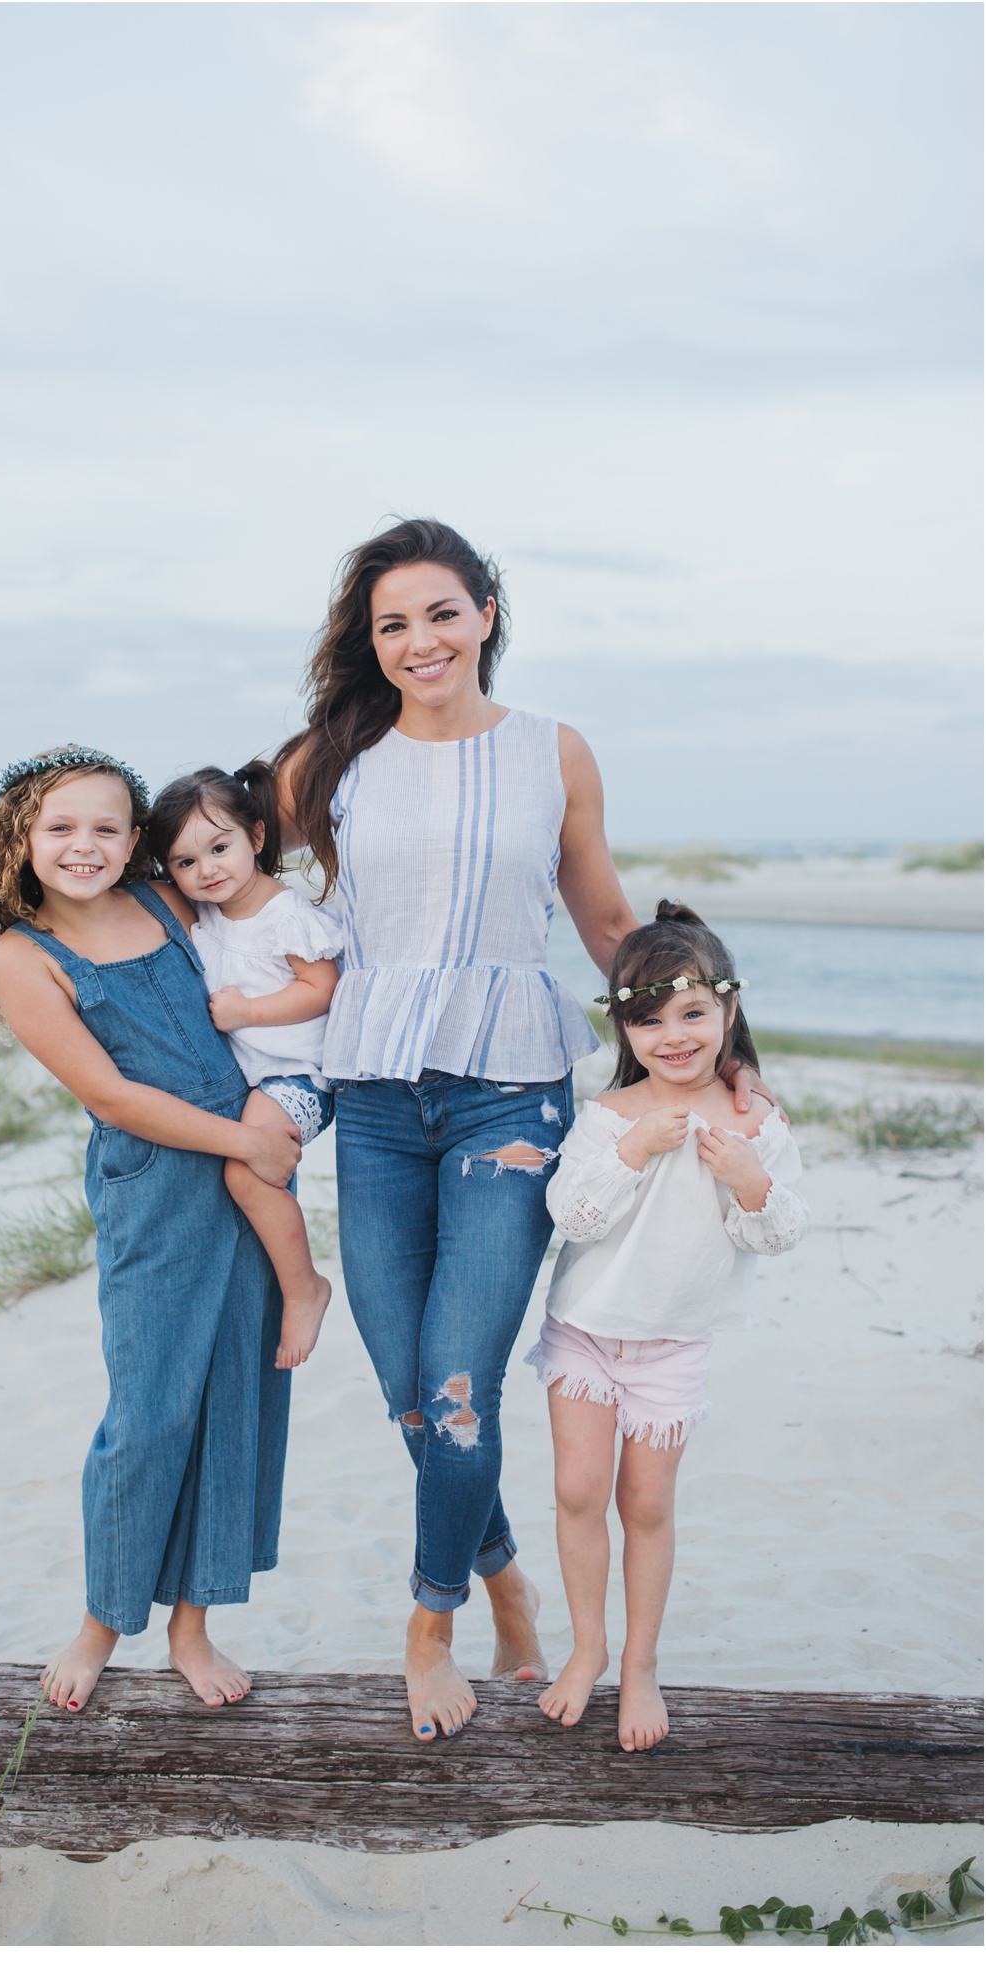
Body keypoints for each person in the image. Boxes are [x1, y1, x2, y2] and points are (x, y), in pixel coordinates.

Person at [275, 517, 775, 1742]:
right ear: (369, 640)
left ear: (486, 614)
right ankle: (506, 1579)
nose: (418, 640)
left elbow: (608, 921)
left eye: (441, 612)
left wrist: (720, 1049)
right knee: (407, 1392)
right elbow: (219, 878)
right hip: (380, 1101)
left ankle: (430, 1619)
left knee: (460, 1389)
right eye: (392, 622)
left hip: (511, 1099)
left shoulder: (555, 750)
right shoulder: (324, 762)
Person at [0, 743, 301, 1713]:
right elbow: (110, 1091)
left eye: (106, 827)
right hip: (158, 1186)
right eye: (60, 826)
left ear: (136, 839)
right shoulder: (23, 954)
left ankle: (192, 1623)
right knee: (148, 1412)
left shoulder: (161, 898)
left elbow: (252, 867)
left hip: (247, 1179)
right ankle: (103, 1618)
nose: (83, 845)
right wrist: (247, 1142)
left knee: (236, 1398)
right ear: (21, 838)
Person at [528, 903, 808, 1751]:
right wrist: (631, 1150)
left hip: (673, 1342)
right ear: (624, 1026)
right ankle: (587, 1648)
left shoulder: (755, 1119)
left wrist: (749, 1178)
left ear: (727, 1010)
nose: (672, 1035)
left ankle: (639, 1665)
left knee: (644, 1505)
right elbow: (568, 1217)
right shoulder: (609, 1114)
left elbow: (778, 1232)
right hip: (585, 1330)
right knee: (578, 1492)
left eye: (691, 1013)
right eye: (648, 1018)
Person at [147, 762, 342, 1370]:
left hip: (300, 1074)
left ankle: (304, 1286)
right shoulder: (205, 914)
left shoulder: (285, 917)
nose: (207, 870)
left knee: (245, 1173)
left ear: (258, 838)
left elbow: (322, 987)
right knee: (235, 1173)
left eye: (220, 847)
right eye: (185, 862)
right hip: (255, 1077)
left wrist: (248, 1012)